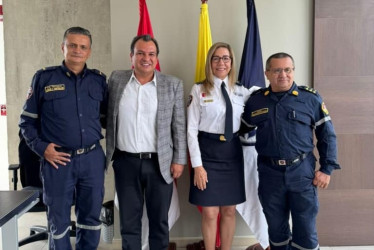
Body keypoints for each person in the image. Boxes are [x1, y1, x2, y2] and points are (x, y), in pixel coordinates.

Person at [19, 26, 108, 250]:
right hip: (58, 161)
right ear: (63, 47)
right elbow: (26, 122)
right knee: (58, 222)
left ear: (89, 51)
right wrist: (42, 148)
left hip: (92, 159)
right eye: (72, 45)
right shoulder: (44, 78)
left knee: (91, 219)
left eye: (83, 46)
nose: (77, 50)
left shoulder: (98, 81)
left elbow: (107, 117)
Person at [242, 52, 341, 250]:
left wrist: (327, 168)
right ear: (267, 73)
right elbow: (241, 131)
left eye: (287, 70)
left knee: (305, 229)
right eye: (277, 70)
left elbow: (327, 135)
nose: (283, 75)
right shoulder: (256, 101)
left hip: (302, 172)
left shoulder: (310, 99)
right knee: (276, 230)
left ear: (293, 71)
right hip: (270, 174)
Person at [106, 34, 187, 250]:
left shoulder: (172, 85)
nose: (146, 58)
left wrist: (179, 160)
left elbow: (179, 126)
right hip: (125, 163)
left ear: (157, 57)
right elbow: (105, 116)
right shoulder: (116, 80)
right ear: (131, 56)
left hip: (160, 164)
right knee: (129, 223)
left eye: (151, 54)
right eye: (140, 53)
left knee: (159, 222)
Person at [187, 42, 259, 250]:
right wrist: (197, 166)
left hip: (232, 153)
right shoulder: (199, 89)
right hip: (207, 153)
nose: (221, 62)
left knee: (229, 210)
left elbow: (261, 104)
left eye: (226, 58)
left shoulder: (241, 91)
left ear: (232, 62)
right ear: (210, 62)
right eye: (216, 58)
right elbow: (191, 131)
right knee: (210, 212)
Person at [237, 132, 270, 250]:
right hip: (237, 150)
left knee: (267, 200)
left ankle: (268, 242)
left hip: (266, 151)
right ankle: (266, 241)